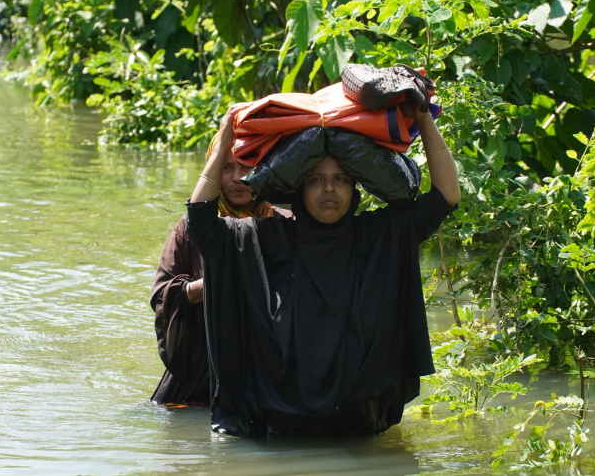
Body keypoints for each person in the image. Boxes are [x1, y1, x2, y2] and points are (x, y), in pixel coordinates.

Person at [186, 101, 461, 435]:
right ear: (300, 190)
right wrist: (224, 143)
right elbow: (201, 222)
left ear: (354, 189)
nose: (328, 188)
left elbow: (446, 195)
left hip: (359, 422)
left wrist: (424, 120)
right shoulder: (266, 238)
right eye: (316, 179)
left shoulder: (381, 236)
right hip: (279, 423)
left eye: (340, 179)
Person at [149, 140, 292, 405]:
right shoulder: (191, 228)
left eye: (247, 165)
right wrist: (215, 284)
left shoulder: (286, 225)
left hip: (269, 367)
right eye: (226, 167)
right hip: (203, 364)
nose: (238, 177)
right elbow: (162, 297)